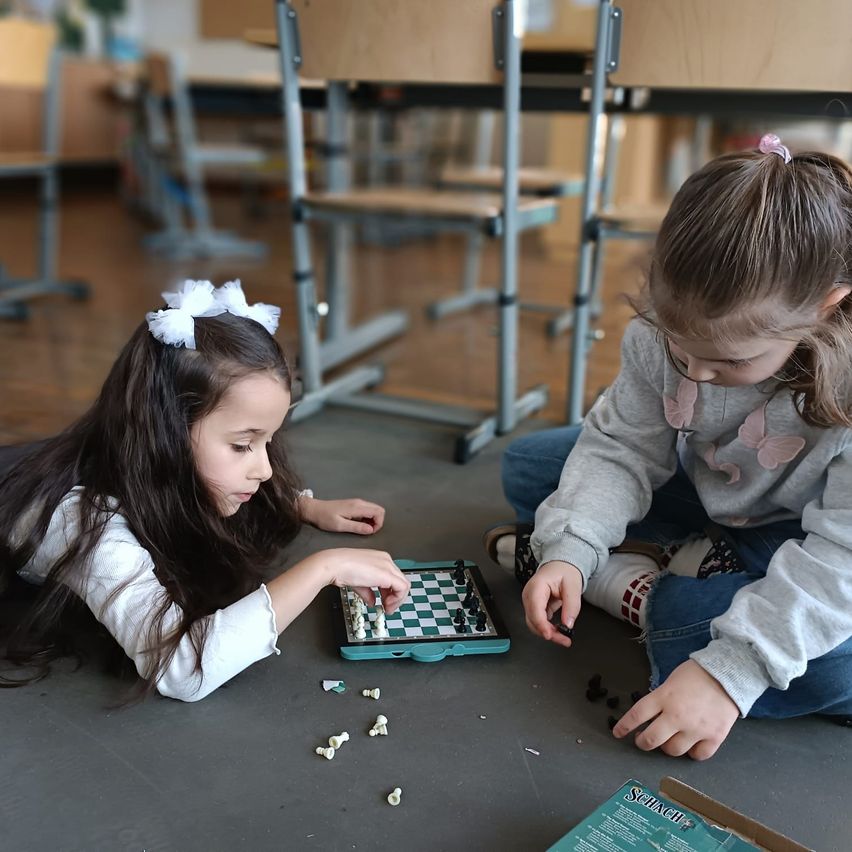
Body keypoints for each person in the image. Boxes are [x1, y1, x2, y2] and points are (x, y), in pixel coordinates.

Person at [487, 135, 852, 759]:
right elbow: (621, 447)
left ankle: (653, 597)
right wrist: (571, 549)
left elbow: (840, 555)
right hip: (712, 492)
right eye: (679, 347)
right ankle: (690, 566)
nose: (696, 374)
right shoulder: (659, 334)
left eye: (727, 360)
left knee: (830, 666)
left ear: (823, 310)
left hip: (811, 536)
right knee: (530, 467)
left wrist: (730, 670)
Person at [0, 280, 410, 701]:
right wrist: (325, 568)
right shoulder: (85, 524)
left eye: (268, 440)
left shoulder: (154, 467)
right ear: (167, 433)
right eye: (241, 445)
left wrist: (302, 505)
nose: (266, 470)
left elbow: (210, 483)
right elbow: (182, 671)